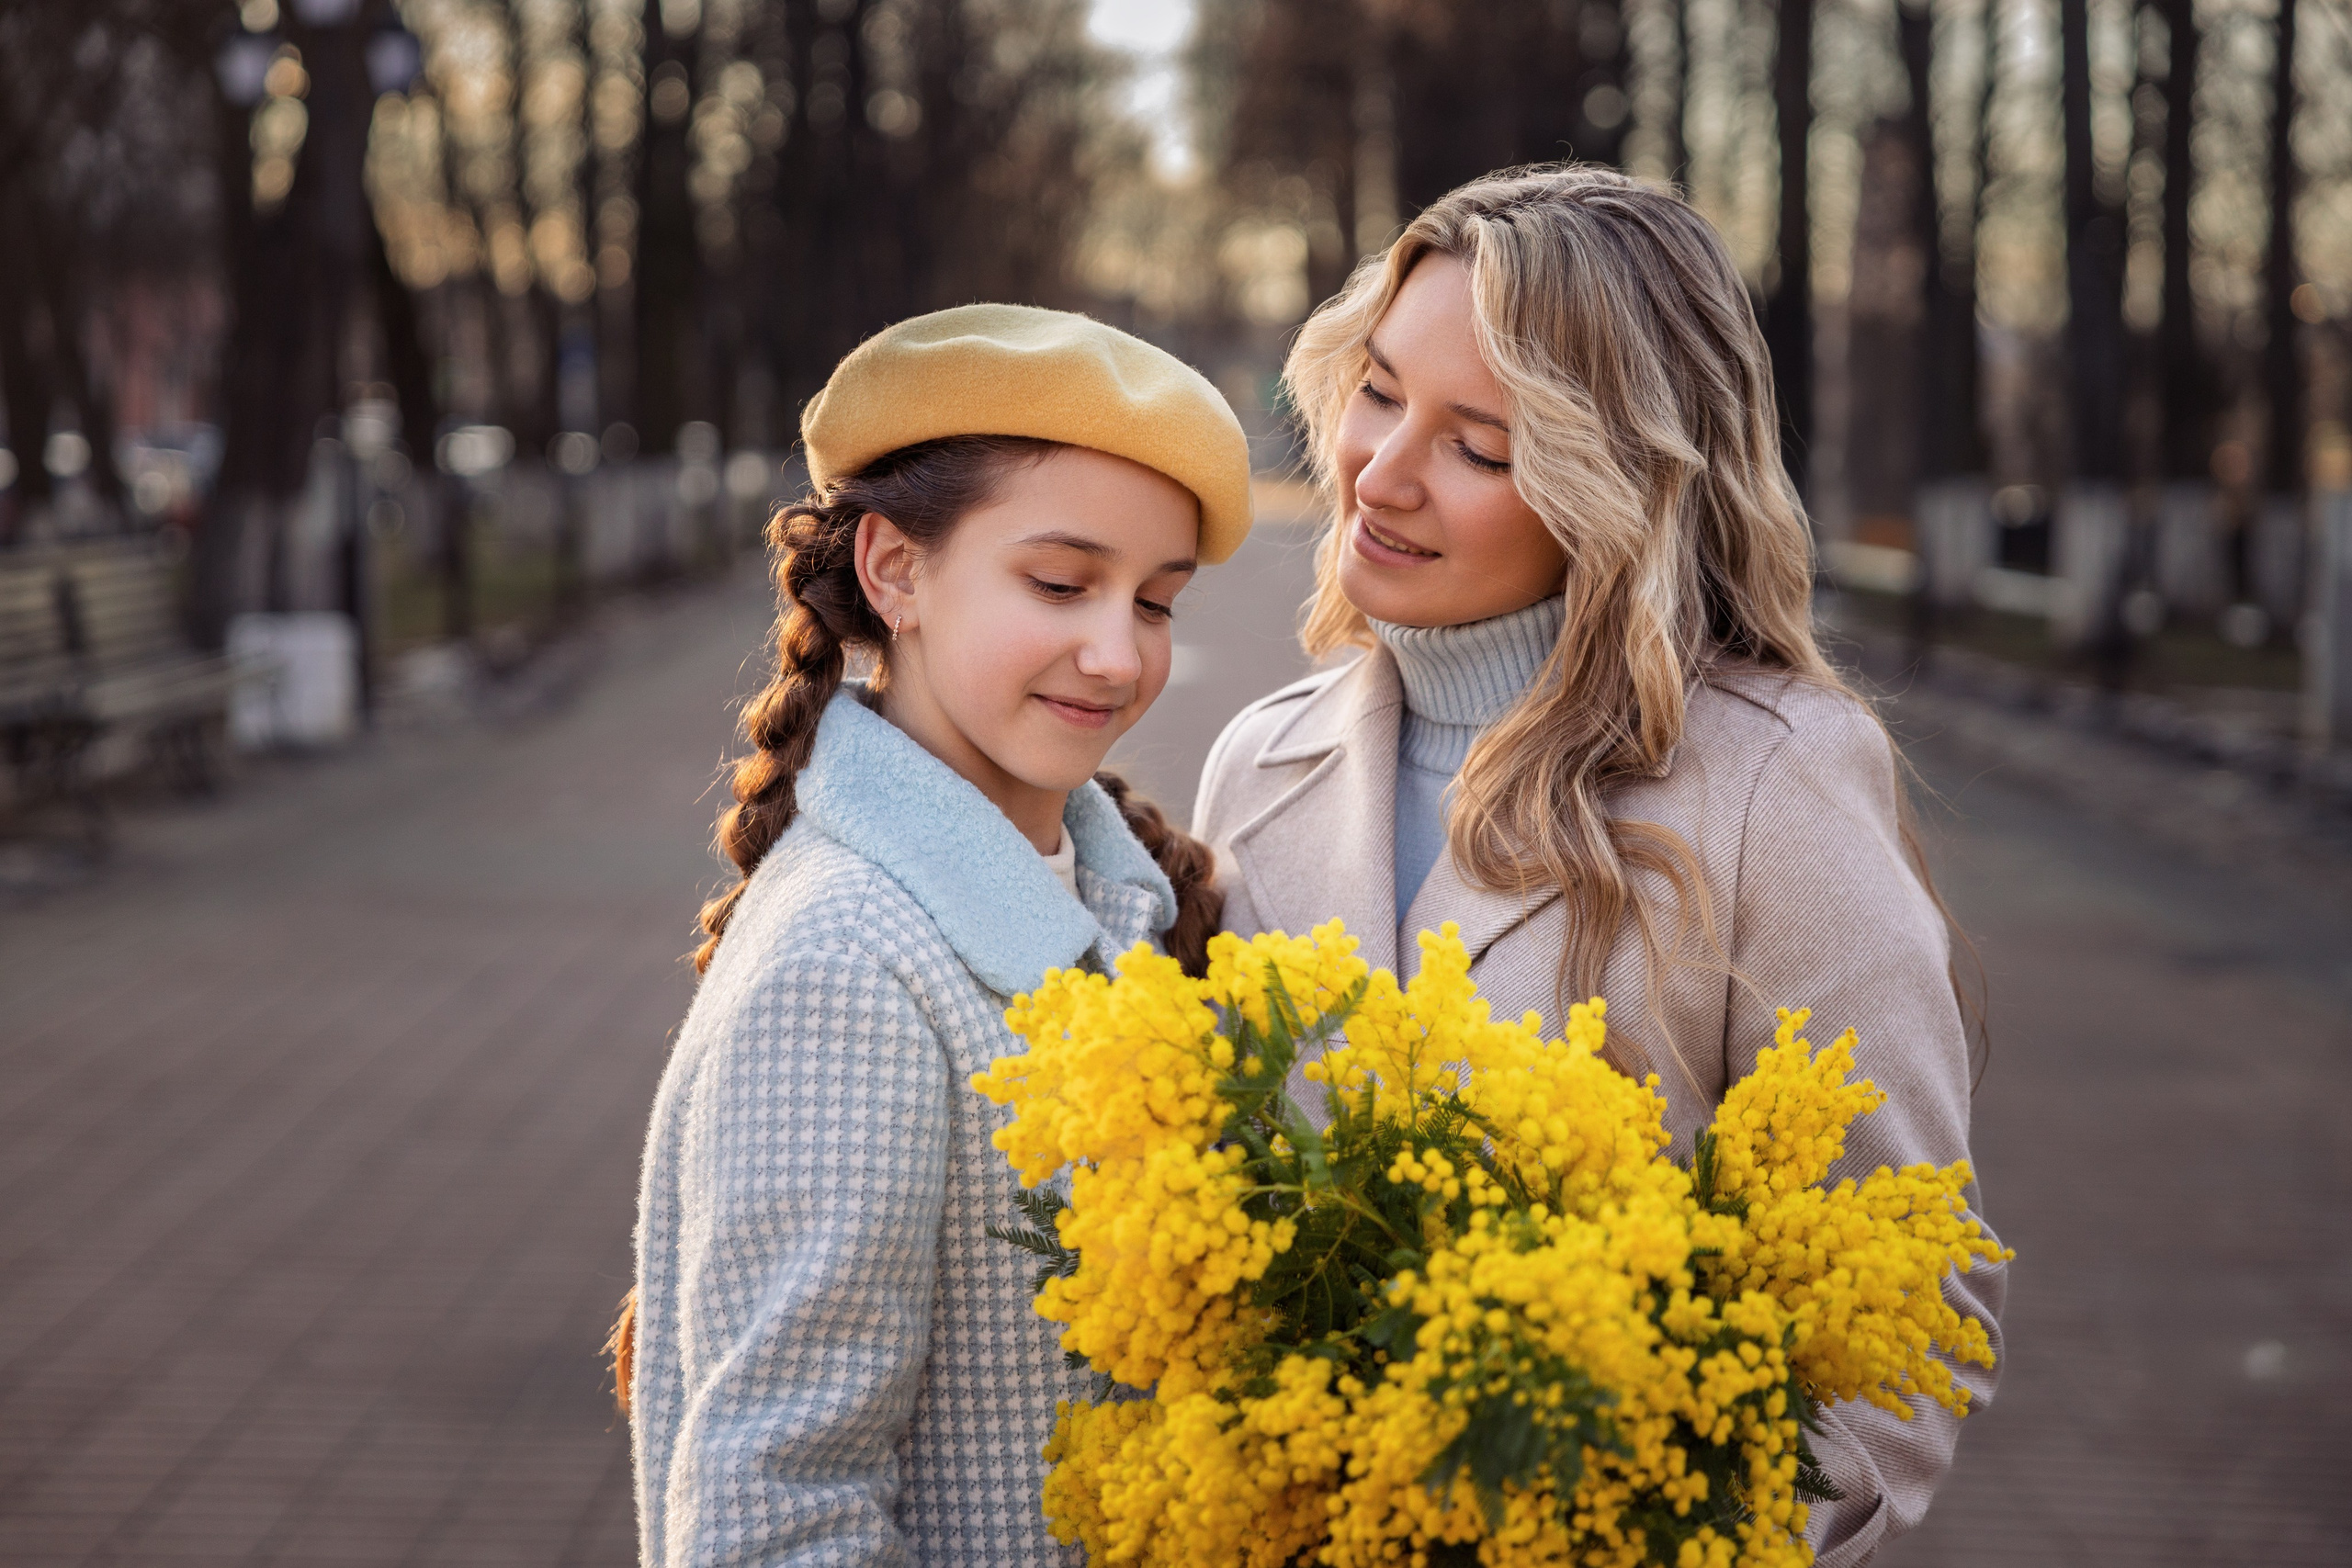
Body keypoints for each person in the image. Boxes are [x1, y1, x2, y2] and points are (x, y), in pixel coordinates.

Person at [1192, 164, 2004, 1566]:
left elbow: (1912, 1309)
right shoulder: (1256, 768)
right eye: (1378, 392)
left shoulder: (1775, 783)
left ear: (1613, 487)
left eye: (1479, 448)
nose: (1379, 473)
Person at [629, 304, 1249, 1567]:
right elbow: (774, 1524)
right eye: (1061, 584)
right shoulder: (849, 966)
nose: (1117, 654)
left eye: (1156, 602)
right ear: (895, 570)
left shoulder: (1117, 895)